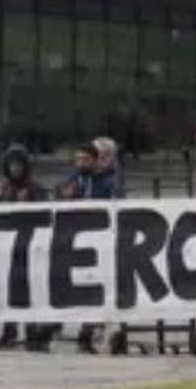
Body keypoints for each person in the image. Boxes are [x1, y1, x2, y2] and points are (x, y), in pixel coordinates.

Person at [0, 144, 58, 351]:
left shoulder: (35, 188)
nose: (15, 169)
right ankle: (9, 331)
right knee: (9, 289)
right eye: (11, 165)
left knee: (31, 291)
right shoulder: (4, 187)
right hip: (7, 247)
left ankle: (33, 332)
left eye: (18, 165)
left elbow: (45, 214)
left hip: (31, 246)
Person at [60, 139, 123, 352]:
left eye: (87, 159)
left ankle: (92, 331)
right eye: (77, 159)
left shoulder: (110, 182)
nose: (80, 163)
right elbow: (60, 193)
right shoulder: (77, 178)